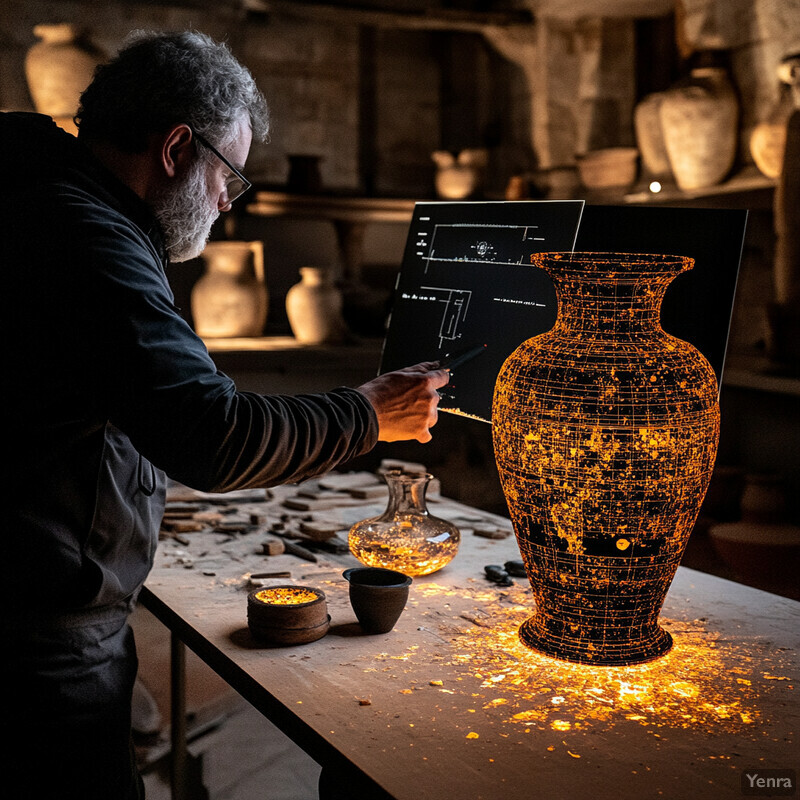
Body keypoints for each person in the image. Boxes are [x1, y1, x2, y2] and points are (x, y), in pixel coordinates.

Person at [0, 29, 448, 799]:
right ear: (177, 147)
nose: (225, 203)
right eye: (228, 177)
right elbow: (212, 435)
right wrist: (369, 412)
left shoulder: (48, 200)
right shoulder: (86, 235)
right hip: (37, 644)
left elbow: (104, 404)